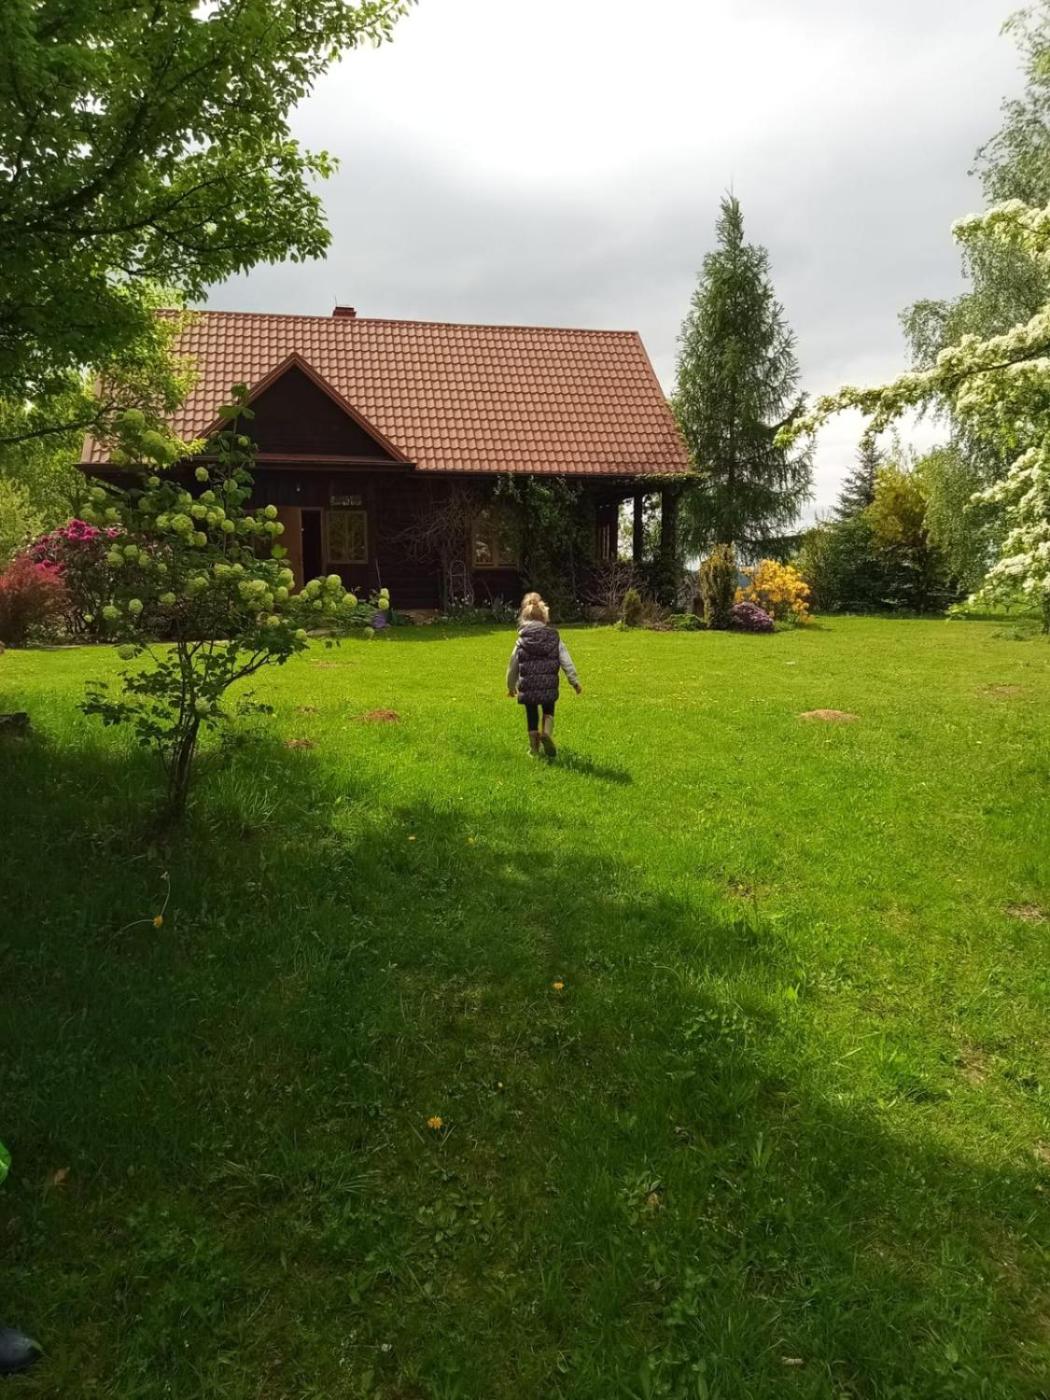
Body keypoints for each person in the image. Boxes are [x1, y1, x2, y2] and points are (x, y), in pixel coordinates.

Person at [506, 592, 581, 757]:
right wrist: (574, 681)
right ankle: (546, 732)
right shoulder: (554, 638)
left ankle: (534, 749)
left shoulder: (521, 641)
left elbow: (513, 665)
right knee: (548, 709)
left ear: (523, 619)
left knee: (532, 714)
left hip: (528, 686)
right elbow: (566, 660)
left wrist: (511, 687)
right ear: (544, 618)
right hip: (548, 684)